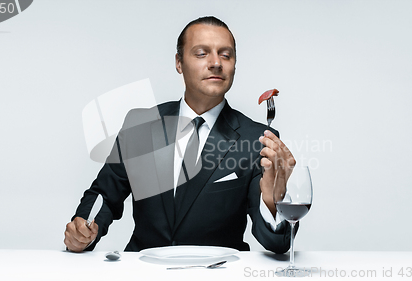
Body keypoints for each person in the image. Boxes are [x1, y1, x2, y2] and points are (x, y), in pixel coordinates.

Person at [64, 16, 297, 254]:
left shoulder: (257, 139)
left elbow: (277, 244)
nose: (216, 62)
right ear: (179, 62)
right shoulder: (140, 124)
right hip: (143, 270)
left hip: (219, 272)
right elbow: (105, 193)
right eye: (201, 53)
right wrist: (83, 229)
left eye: (226, 55)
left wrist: (272, 199)